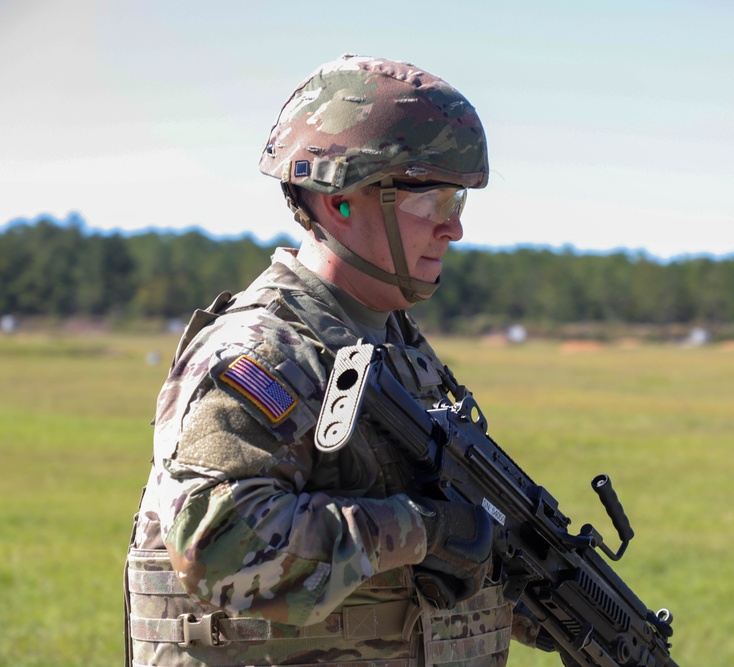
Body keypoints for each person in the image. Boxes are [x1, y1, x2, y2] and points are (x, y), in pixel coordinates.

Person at [124, 54, 550, 667]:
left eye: (458, 202)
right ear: (340, 199)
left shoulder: (398, 350)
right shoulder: (262, 351)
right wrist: (424, 531)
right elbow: (220, 542)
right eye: (431, 200)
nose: (452, 229)